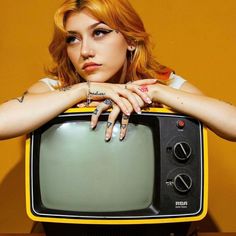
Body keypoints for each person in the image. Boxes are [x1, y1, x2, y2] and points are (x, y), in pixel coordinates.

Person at [0, 0, 235, 143]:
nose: (85, 51)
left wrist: (153, 92)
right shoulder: (58, 86)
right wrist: (85, 90)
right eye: (72, 39)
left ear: (131, 39)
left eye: (99, 32)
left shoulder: (161, 82)